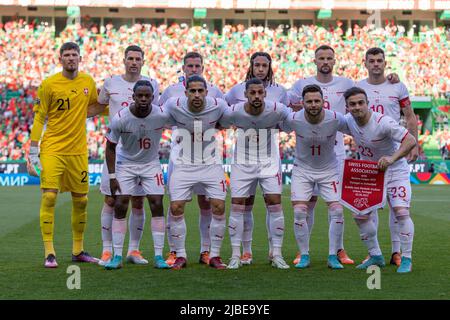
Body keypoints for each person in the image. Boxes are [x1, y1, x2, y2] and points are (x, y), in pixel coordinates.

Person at [27, 42, 101, 268]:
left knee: (82, 200)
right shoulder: (49, 84)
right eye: (67, 55)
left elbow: (95, 107)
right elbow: (40, 118)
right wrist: (32, 151)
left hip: (78, 151)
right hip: (53, 149)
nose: (71, 58)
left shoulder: (88, 82)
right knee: (49, 196)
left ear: (80, 58)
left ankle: (78, 250)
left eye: (74, 55)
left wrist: (117, 103)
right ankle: (49, 252)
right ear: (60, 59)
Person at [287, 45, 356, 265]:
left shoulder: (346, 84)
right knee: (307, 205)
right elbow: (282, 104)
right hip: (306, 156)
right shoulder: (300, 87)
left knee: (337, 206)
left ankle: (338, 251)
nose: (325, 61)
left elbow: (359, 108)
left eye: (329, 58)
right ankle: (303, 252)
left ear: (334, 61)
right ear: (314, 61)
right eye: (321, 58)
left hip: (334, 153)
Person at [96, 45, 160, 266]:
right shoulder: (111, 82)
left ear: (143, 61)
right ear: (124, 60)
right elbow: (100, 105)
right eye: (130, 58)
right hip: (116, 149)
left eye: (137, 59)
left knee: (139, 201)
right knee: (111, 199)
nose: (133, 62)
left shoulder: (152, 84)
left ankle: (134, 250)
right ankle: (107, 250)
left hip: (140, 151)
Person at [159, 52, 225, 266]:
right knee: (175, 205)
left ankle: (208, 251)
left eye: (197, 66)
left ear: (203, 68)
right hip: (181, 154)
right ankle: (175, 251)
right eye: (190, 66)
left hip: (207, 156)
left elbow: (222, 119)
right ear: (183, 68)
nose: (194, 69)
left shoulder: (215, 93)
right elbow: (161, 117)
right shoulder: (171, 93)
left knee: (208, 203)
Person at [224, 52, 290, 265]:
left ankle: (276, 253)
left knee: (274, 203)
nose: (261, 69)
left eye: (264, 65)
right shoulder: (235, 93)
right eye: (257, 65)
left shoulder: (279, 93)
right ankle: (241, 253)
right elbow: (222, 116)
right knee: (241, 205)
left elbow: (289, 119)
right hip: (243, 159)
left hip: (269, 158)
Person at [343, 87, 416, 273]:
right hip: (370, 174)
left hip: (395, 172)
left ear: (368, 104)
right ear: (347, 107)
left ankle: (406, 258)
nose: (357, 107)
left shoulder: (384, 122)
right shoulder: (349, 121)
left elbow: (410, 140)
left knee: (401, 212)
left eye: (361, 103)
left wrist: (392, 158)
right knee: (359, 214)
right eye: (353, 104)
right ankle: (375, 255)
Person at [357, 47, 418, 266]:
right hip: (368, 161)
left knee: (397, 207)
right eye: (371, 60)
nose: (375, 64)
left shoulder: (397, 86)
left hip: (395, 155)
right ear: (365, 63)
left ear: (385, 63)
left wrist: (414, 144)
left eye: (379, 60)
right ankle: (374, 253)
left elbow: (410, 117)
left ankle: (397, 252)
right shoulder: (358, 87)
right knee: (367, 209)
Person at [103, 80, 170, 270]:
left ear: (152, 97)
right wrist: (113, 176)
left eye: (147, 96)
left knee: (157, 204)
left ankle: (158, 256)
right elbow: (110, 147)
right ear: (133, 97)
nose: (143, 99)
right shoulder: (120, 118)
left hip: (151, 164)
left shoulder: (161, 115)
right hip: (126, 164)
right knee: (121, 204)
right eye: (139, 95)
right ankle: (117, 255)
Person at [281, 84, 348, 269]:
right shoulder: (294, 118)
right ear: (302, 103)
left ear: (323, 102)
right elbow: (275, 125)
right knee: (300, 211)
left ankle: (333, 255)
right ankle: (304, 255)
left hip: (329, 170)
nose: (313, 105)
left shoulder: (335, 118)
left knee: (337, 211)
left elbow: (356, 128)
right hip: (302, 170)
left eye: (316, 101)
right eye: (309, 101)